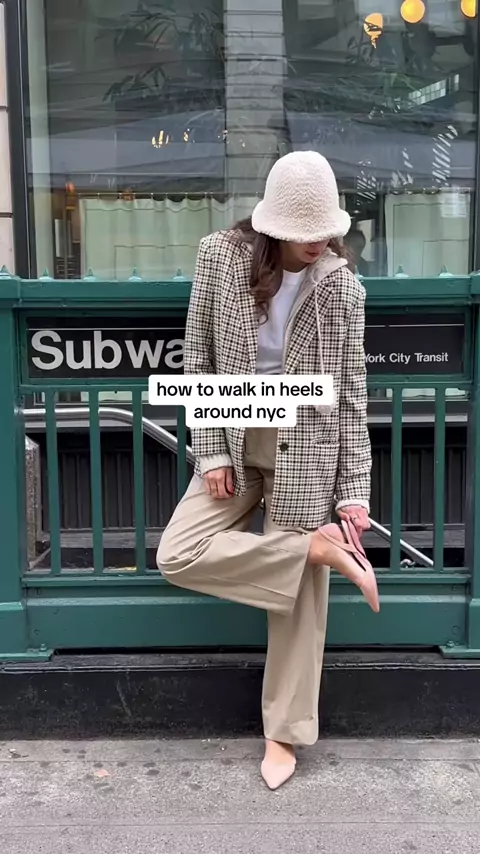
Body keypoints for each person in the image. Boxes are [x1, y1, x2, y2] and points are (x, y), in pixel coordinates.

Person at [157, 150, 378, 791]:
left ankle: (283, 732)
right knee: (178, 552)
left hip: (307, 442)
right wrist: (213, 450)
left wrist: (353, 491)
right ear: (273, 226)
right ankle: (312, 548)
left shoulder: (342, 286)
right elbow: (198, 357)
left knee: (300, 603)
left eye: (325, 231)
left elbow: (352, 394)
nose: (317, 243)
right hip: (236, 427)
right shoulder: (219, 257)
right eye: (303, 232)